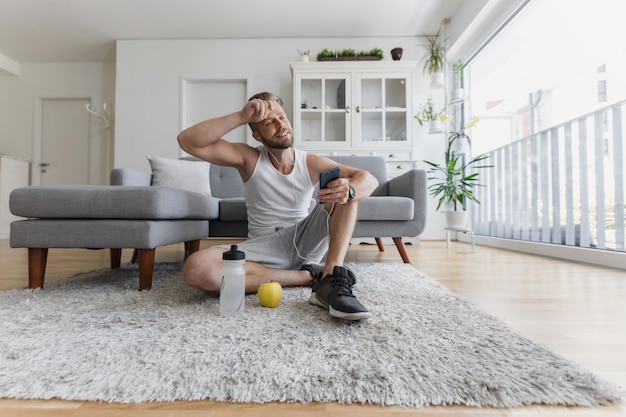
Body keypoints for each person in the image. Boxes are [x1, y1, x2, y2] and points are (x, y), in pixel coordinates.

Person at [177, 92, 378, 320]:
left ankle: (332, 273)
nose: (280, 125)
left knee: (345, 188)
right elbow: (187, 141)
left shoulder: (310, 162)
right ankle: (310, 277)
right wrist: (242, 116)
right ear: (257, 135)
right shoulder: (249, 158)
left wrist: (349, 190)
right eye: (269, 123)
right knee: (196, 268)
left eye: (281, 117)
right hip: (264, 248)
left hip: (305, 239)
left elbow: (368, 179)